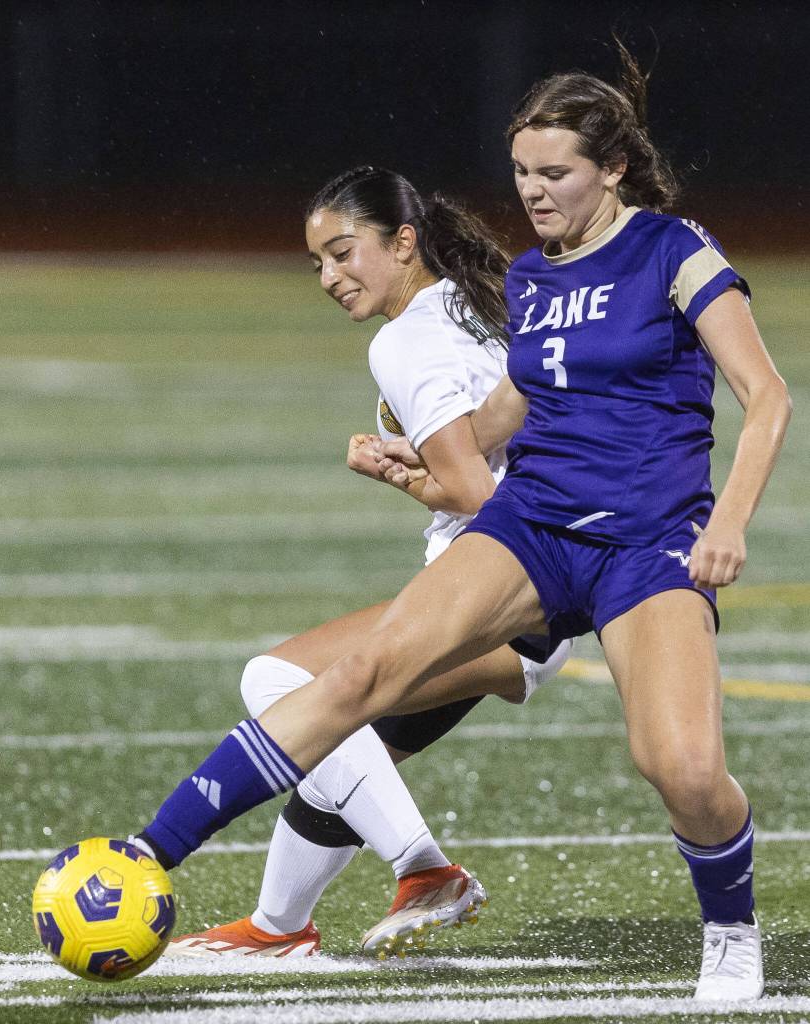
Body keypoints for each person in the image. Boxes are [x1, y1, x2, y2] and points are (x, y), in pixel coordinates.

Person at [133, 48, 791, 1001]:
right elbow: (503, 415)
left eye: (554, 172)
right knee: (357, 672)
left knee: (680, 768)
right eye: (522, 172)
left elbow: (765, 397)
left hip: (648, 547)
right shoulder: (532, 279)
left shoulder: (673, 251)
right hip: (530, 530)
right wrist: (409, 458)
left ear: (610, 169)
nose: (532, 191)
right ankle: (147, 852)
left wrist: (726, 523)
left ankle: (730, 928)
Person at [162, 167, 571, 961]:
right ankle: (279, 928)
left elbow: (472, 492)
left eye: (344, 253)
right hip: (537, 584)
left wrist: (412, 476)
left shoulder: (406, 336)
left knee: (278, 684)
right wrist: (406, 466)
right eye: (318, 262)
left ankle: (426, 871)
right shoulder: (471, 303)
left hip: (502, 592)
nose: (329, 276)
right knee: (344, 759)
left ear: (403, 241)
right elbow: (491, 462)